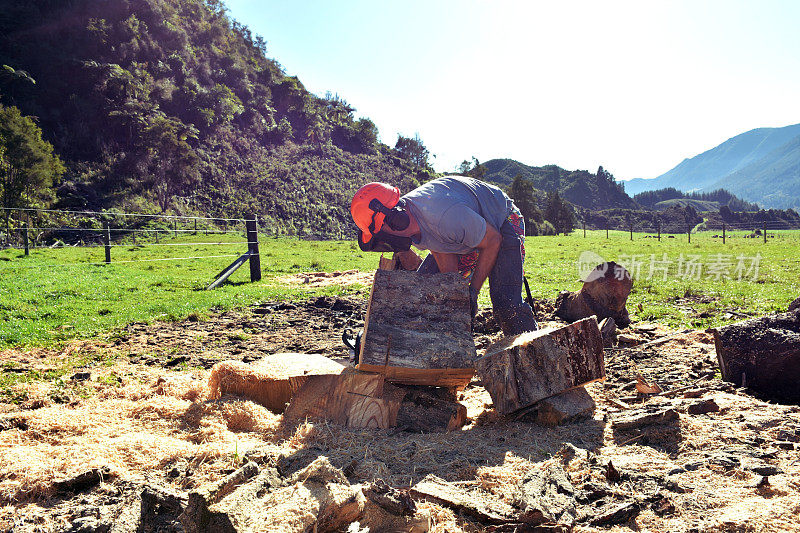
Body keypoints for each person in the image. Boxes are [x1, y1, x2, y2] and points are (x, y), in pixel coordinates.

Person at [350, 175, 538, 336]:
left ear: (394, 218)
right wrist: (456, 295)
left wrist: (472, 292)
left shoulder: (442, 216)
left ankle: (534, 356)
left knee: (507, 305)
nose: (387, 241)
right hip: (465, 233)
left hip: (500, 222)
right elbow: (440, 248)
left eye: (383, 233)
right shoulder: (412, 225)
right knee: (426, 294)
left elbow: (493, 241)